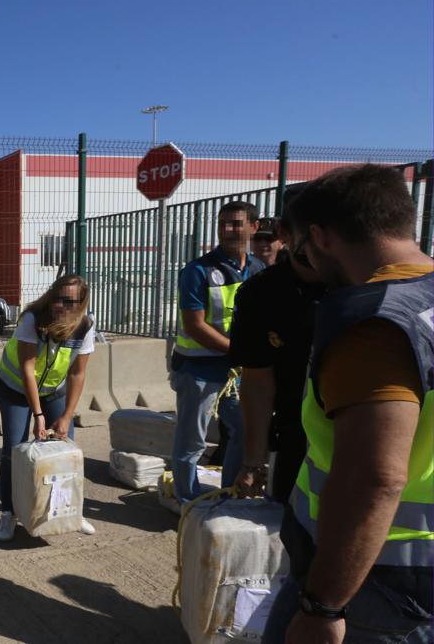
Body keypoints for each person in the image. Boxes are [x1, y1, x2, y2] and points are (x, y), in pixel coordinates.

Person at [262, 164, 433, 644]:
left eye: (300, 249)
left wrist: (322, 607)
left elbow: (374, 479)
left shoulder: (375, 324)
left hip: (376, 582)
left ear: (319, 237)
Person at [230, 185, 324, 503]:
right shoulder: (263, 294)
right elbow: (257, 382)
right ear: (286, 232)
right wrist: (253, 462)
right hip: (295, 442)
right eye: (309, 232)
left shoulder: (367, 287)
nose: (321, 244)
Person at [169, 201, 262, 504]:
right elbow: (195, 326)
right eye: (224, 223)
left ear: (253, 227)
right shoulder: (197, 271)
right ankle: (187, 500)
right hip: (198, 369)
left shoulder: (258, 270)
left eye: (236, 223)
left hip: (236, 371)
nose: (228, 230)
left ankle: (229, 494)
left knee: (242, 431)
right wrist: (240, 353)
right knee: (192, 439)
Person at [0, 274, 97, 541]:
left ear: (80, 303)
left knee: (66, 446)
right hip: (15, 387)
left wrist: (66, 415)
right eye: (56, 296)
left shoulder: (85, 327)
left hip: (54, 390)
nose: (59, 305)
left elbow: (77, 374)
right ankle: (8, 513)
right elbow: (27, 369)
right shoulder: (33, 319)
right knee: (13, 449)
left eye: (68, 301)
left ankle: (68, 511)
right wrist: (38, 416)